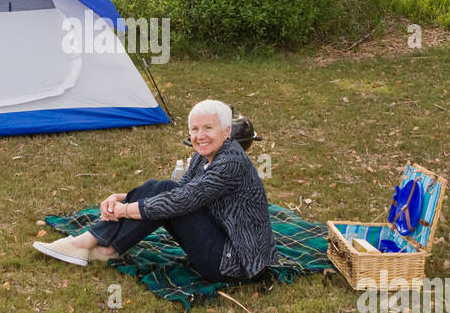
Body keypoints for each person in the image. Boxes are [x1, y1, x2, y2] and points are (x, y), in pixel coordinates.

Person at [34, 100, 277, 281]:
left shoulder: (231, 162)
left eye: (208, 128)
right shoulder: (204, 156)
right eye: (194, 129)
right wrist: (121, 198)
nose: (199, 136)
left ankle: (90, 244)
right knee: (163, 189)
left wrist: (124, 210)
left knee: (168, 194)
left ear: (226, 132)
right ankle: (104, 247)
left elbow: (181, 200)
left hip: (235, 263)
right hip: (223, 239)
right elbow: (180, 191)